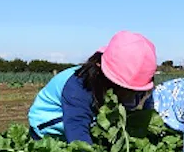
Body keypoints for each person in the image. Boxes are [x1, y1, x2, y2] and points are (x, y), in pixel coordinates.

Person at [28, 30, 157, 144]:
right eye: (125, 90)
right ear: (102, 71)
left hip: (87, 121)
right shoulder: (78, 87)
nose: (131, 96)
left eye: (134, 91)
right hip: (50, 127)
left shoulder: (131, 89)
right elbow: (77, 129)